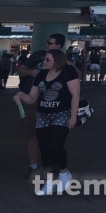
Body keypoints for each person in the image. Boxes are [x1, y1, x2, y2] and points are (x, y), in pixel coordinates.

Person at [13, 49, 80, 195]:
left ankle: (64, 173)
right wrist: (21, 95)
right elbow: (32, 98)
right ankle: (50, 180)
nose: (44, 62)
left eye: (48, 59)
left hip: (61, 113)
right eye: (44, 59)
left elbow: (75, 94)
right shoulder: (42, 75)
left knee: (55, 144)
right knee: (44, 147)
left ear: (57, 60)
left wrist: (73, 116)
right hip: (43, 114)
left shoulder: (67, 71)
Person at [17, 33, 68, 179]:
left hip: (54, 102)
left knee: (53, 136)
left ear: (58, 46)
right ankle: (33, 165)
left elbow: (75, 77)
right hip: (32, 98)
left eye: (50, 43)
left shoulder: (62, 60)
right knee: (33, 134)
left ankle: (54, 166)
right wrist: (30, 72)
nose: (47, 45)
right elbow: (20, 70)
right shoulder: (38, 55)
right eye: (46, 42)